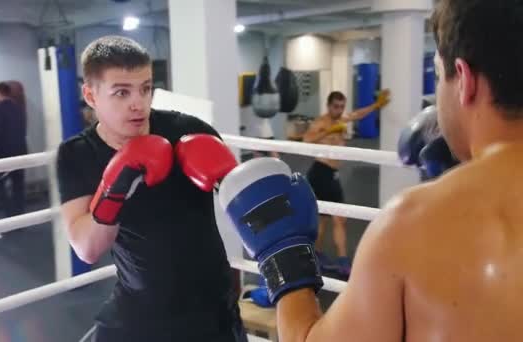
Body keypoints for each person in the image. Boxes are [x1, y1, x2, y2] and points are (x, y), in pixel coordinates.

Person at [214, 0, 523, 341]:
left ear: (464, 80)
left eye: (437, 74)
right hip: (320, 171)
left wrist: (281, 254)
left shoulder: (412, 222)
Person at [55, 36, 246, 342]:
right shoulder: (77, 154)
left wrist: (249, 186)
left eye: (146, 88)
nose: (138, 103)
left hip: (212, 306)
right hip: (141, 310)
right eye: (121, 92)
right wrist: (116, 185)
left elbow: (244, 203)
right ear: (91, 95)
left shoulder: (190, 131)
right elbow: (86, 248)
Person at [302, 89, 390, 276]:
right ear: (328, 106)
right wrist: (328, 131)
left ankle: (316, 255)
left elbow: (357, 114)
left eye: (342, 106)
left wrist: (376, 105)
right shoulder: (322, 122)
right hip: (320, 173)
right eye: (336, 107)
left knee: (324, 219)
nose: (339, 110)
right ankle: (343, 262)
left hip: (331, 174)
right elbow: (306, 139)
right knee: (338, 218)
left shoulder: (342, 119)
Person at [0, 82, 27, 217]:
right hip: (21, 151)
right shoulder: (18, 107)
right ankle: (20, 217)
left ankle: (10, 214)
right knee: (18, 185)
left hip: (5, 153)